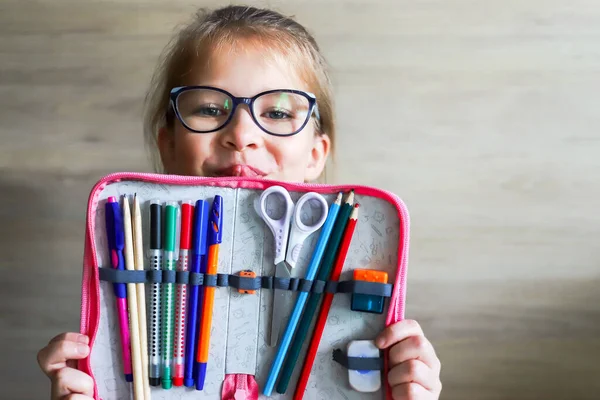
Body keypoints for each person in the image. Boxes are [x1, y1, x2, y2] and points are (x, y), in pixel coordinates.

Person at [37, 5, 442, 399]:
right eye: (211, 109)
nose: (242, 134)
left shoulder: (357, 244)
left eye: (279, 113)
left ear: (316, 155)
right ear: (169, 147)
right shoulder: (130, 231)